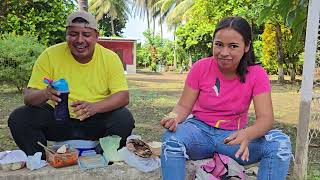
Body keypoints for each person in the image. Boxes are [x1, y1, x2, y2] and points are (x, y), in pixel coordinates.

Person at [160, 16, 292, 180]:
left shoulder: (257, 74)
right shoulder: (200, 67)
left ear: (247, 46)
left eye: (233, 46)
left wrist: (247, 134)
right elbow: (183, 107)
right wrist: (173, 118)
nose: (224, 52)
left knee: (280, 144)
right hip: (198, 132)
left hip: (232, 138)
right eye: (219, 44)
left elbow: (266, 119)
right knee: (171, 139)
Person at [8, 11, 135, 158]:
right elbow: (29, 98)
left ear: (96, 36)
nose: (79, 40)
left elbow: (123, 96)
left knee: (124, 118)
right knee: (19, 117)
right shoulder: (50, 55)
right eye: (73, 34)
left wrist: (94, 107)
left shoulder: (110, 58)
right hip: (59, 120)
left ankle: (103, 158)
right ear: (66, 35)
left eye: (86, 34)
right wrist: (46, 93)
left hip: (96, 121)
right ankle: (41, 161)